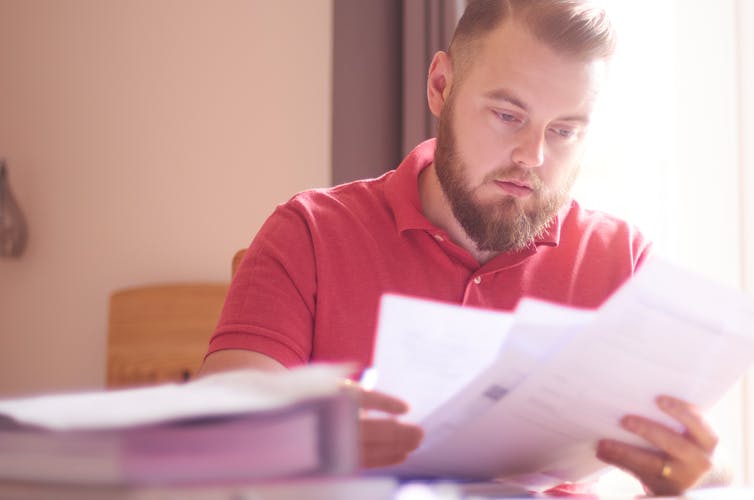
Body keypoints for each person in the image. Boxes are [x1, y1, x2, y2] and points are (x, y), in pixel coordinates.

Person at [197, 0, 715, 496]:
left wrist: (689, 474)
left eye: (562, 131)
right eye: (508, 116)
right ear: (441, 86)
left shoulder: (622, 259)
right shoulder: (311, 232)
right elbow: (215, 436)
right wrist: (307, 437)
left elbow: (698, 461)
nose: (531, 156)